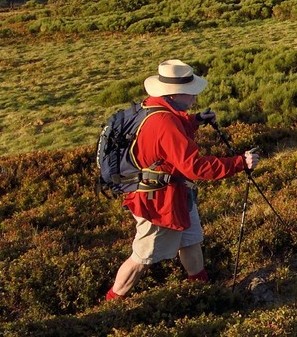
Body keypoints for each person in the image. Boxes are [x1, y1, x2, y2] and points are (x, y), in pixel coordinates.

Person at [105, 59, 260, 300]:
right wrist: (239, 163)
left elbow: (169, 132)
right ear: (176, 94)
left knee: (190, 242)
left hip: (174, 195)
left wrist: (195, 120)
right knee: (142, 258)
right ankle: (112, 303)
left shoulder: (154, 108)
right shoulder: (164, 122)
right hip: (159, 203)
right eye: (191, 93)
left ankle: (202, 293)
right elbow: (195, 167)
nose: (194, 98)